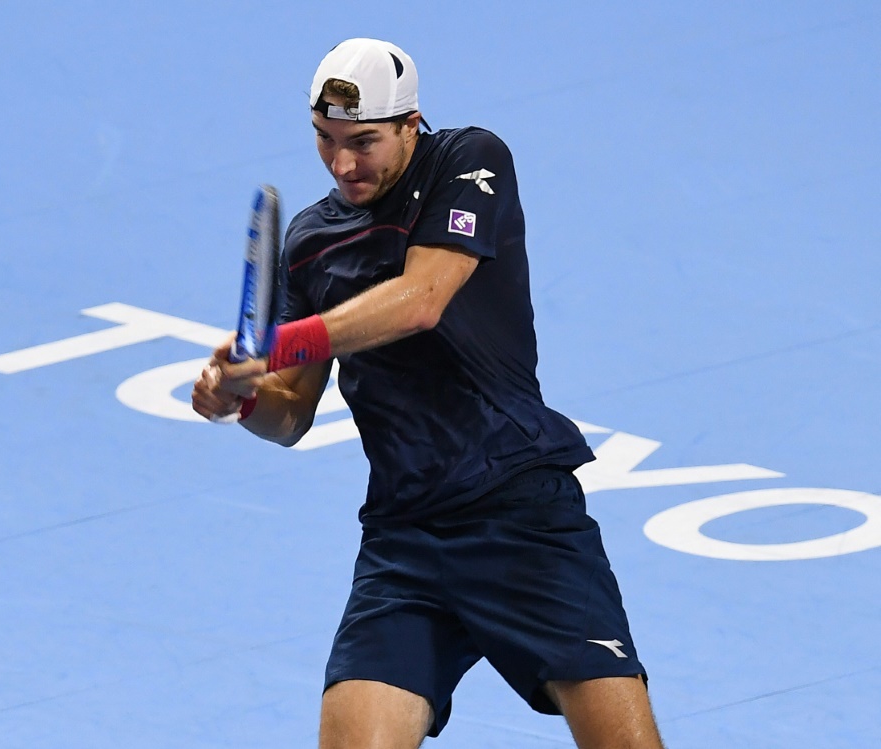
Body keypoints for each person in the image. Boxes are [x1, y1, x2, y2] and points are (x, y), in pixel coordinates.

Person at [192, 38, 665, 749]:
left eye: (364, 142)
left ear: (410, 123)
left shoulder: (469, 160)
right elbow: (291, 416)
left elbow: (421, 299)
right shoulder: (312, 240)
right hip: (405, 537)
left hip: (520, 511)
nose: (342, 163)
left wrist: (279, 345)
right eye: (324, 139)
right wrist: (244, 400)